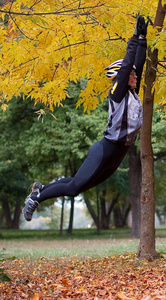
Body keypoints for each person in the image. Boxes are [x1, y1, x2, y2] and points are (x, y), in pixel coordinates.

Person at [22, 15, 149, 221]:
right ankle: (37, 198)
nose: (135, 76)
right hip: (106, 149)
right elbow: (127, 65)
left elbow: (137, 64)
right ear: (122, 78)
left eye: (135, 74)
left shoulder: (133, 93)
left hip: (119, 153)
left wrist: (142, 39)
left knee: (76, 185)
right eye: (131, 75)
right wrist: (133, 38)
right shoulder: (118, 94)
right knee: (73, 189)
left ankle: (40, 189)